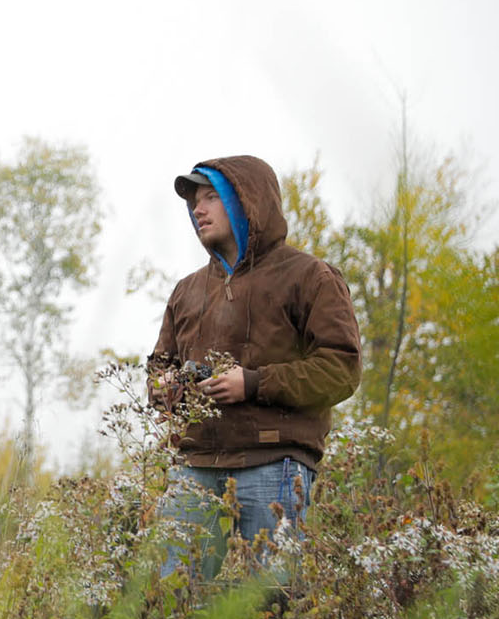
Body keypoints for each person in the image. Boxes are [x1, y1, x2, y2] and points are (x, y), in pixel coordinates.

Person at [151, 156, 361, 581]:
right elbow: (160, 364)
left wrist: (253, 384)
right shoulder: (187, 290)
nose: (198, 209)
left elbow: (341, 368)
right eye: (194, 200)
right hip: (195, 463)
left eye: (212, 197)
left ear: (247, 203)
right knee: (171, 600)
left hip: (275, 461)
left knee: (272, 603)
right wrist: (162, 386)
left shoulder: (310, 276)